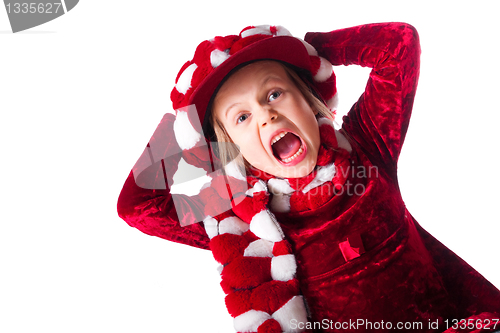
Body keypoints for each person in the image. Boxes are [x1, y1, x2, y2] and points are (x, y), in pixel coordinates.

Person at [117, 23, 500, 332]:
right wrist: (179, 128)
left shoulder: (366, 146)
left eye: (274, 94)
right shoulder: (236, 217)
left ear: (309, 98)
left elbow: (398, 46)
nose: (266, 116)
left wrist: (312, 48)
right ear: (230, 148)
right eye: (242, 117)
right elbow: (137, 207)